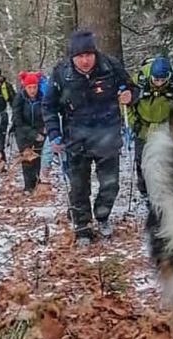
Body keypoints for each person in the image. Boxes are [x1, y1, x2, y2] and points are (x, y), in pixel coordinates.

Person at [43, 28, 135, 246]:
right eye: (79, 56)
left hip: (108, 137)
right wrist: (54, 134)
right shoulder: (61, 73)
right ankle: (82, 227)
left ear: (95, 53)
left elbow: (132, 88)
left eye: (88, 55)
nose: (85, 61)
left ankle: (102, 216)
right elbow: (49, 106)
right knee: (79, 187)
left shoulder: (110, 66)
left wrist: (130, 95)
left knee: (110, 185)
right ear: (72, 57)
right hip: (76, 139)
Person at [131, 56, 173, 197]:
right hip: (143, 126)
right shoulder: (138, 81)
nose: (159, 83)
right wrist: (133, 121)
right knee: (141, 159)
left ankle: (162, 189)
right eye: (156, 79)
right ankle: (144, 191)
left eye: (162, 80)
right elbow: (126, 103)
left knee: (163, 158)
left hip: (164, 126)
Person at [12, 72, 46, 193]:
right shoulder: (19, 99)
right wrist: (33, 134)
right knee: (27, 159)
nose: (32, 90)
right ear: (25, 87)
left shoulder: (42, 98)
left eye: (34, 87)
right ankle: (28, 186)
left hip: (39, 131)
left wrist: (42, 132)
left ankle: (36, 182)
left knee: (37, 157)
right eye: (29, 87)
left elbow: (46, 116)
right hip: (23, 133)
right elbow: (18, 121)